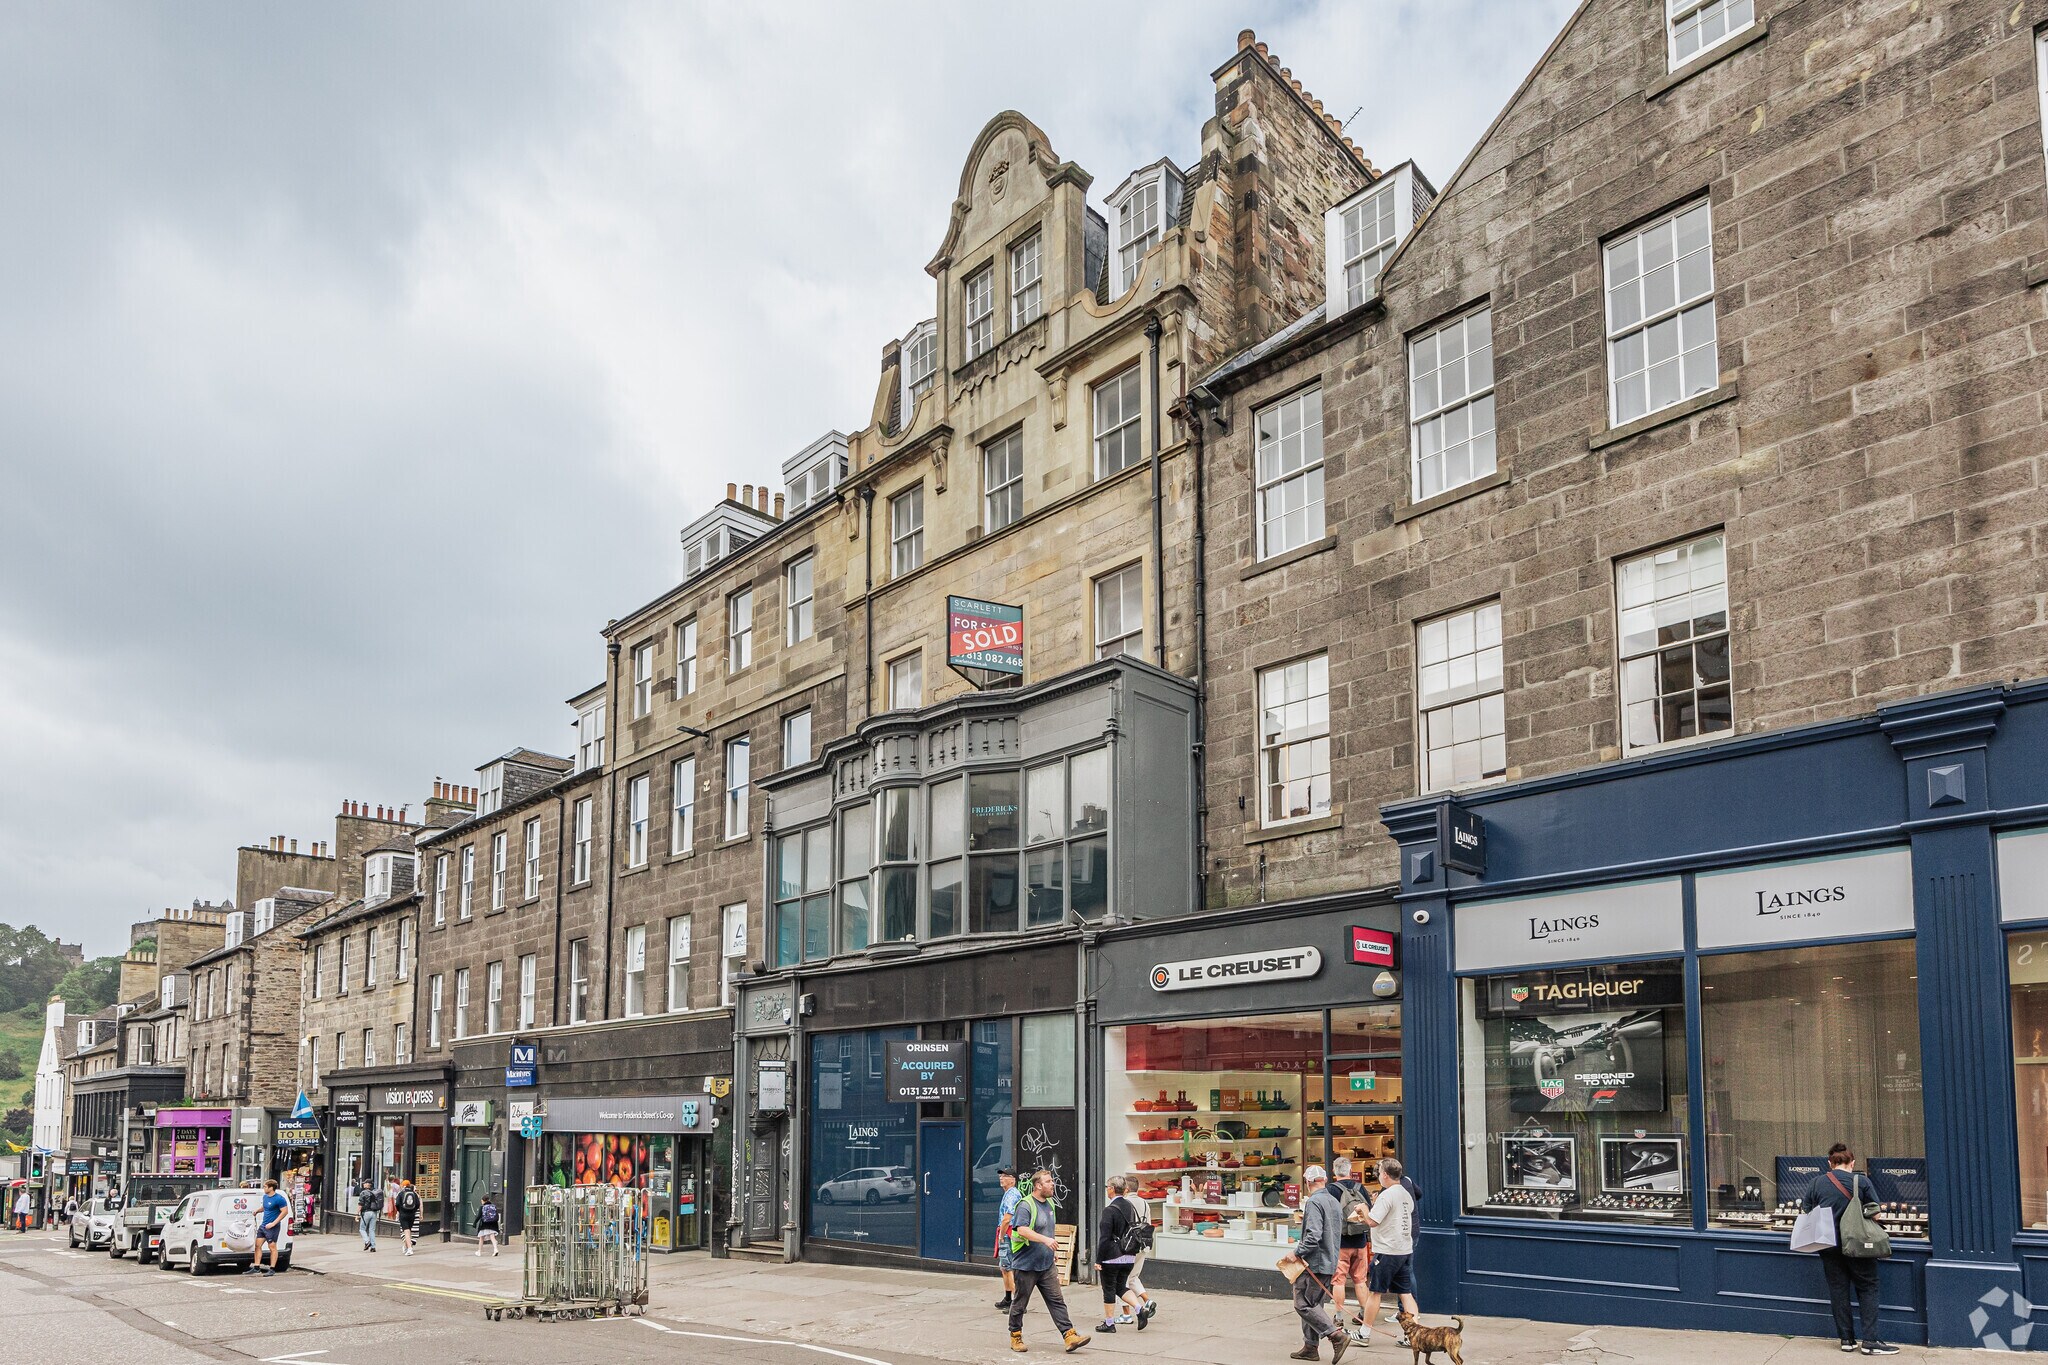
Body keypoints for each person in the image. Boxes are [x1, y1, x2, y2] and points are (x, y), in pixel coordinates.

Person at [1802, 1144, 1898, 1356]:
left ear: (1830, 1163)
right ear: (1852, 1163)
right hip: (1858, 1244)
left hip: (1828, 1245)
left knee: (1838, 1291)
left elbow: (1807, 1210)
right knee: (1868, 1288)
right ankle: (1870, 1341)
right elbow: (1876, 1213)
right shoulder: (1861, 1181)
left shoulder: (1816, 1182)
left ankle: (1846, 1340)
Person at [1006, 1168, 1089, 1354]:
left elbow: (1048, 1230)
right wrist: (1045, 1241)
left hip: (1046, 1264)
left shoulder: (1050, 1203)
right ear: (1038, 1185)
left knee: (1057, 1300)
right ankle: (1015, 1336)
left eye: (1052, 1181)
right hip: (1026, 1265)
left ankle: (1069, 1335)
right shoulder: (1025, 1205)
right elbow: (1021, 1229)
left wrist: (1050, 1251)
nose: (1053, 1184)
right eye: (1049, 1181)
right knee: (1020, 1303)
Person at [1284, 1165, 1351, 1363]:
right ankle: (1310, 1347)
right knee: (1314, 1306)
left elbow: (1313, 1236)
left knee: (1302, 1304)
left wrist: (1296, 1253)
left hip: (1314, 1262)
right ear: (1325, 1180)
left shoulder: (1314, 1202)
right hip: (1329, 1260)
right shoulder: (1333, 1200)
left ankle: (1335, 1335)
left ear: (1308, 1182)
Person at [1356, 1157, 1419, 1350]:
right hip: (1404, 1249)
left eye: (1379, 1173)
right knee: (1406, 1294)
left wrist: (1364, 1208)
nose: (1378, 1176)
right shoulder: (1406, 1193)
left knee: (1375, 1292)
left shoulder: (1386, 1195)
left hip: (1386, 1251)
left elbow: (1372, 1221)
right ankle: (1413, 1336)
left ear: (1384, 1175)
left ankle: (1364, 1333)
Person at [1326, 1157, 1372, 1342]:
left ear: (1334, 1171)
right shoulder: (1360, 1188)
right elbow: (1369, 1211)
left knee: (1339, 1281)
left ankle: (1338, 1317)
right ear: (1351, 1170)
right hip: (1360, 1241)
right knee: (1360, 1280)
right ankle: (1364, 1314)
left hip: (1340, 1243)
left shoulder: (1331, 1190)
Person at [1092, 1176, 1145, 1333]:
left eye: (1107, 1187)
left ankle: (1109, 1323)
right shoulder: (1130, 1207)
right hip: (1129, 1254)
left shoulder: (1109, 1210)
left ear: (1112, 1189)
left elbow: (1104, 1238)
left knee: (1109, 1289)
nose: (1107, 1190)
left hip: (1112, 1257)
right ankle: (1139, 1309)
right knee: (1120, 1287)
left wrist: (1098, 1260)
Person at [994, 1167, 1021, 1310]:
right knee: (1004, 1267)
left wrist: (1001, 1235)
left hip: (1008, 1234)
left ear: (1013, 1180)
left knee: (1009, 1267)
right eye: (1000, 1176)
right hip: (1006, 1233)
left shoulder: (1012, 1195)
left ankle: (1016, 1303)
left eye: (1005, 1176)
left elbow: (1007, 1218)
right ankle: (1008, 1298)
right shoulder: (1009, 1193)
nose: (1001, 1178)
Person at [250, 1179, 289, 1276]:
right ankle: (256, 1267)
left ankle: (272, 1269)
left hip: (272, 1227)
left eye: (265, 1186)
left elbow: (284, 1212)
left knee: (272, 1247)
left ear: (271, 1188)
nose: (263, 1188)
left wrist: (273, 1223)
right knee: (257, 1245)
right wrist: (257, 1211)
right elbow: (265, 1207)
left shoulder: (279, 1199)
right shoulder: (265, 1197)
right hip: (264, 1225)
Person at [353, 1172, 381, 1252]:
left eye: (365, 1183)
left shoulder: (363, 1192)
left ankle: (367, 1241)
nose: (363, 1184)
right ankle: (373, 1247)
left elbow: (360, 1204)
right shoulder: (375, 1192)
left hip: (366, 1213)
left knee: (362, 1229)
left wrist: (357, 1214)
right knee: (372, 1230)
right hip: (374, 1213)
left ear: (368, 1185)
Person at [394, 1178, 422, 1256]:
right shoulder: (414, 1193)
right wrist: (413, 1210)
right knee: (409, 1230)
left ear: (403, 1186)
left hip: (403, 1214)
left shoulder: (400, 1193)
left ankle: (409, 1249)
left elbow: (397, 1204)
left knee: (406, 1231)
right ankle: (406, 1246)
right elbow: (418, 1204)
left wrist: (400, 1210)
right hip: (412, 1215)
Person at [476, 1191, 501, 1256]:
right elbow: (497, 1216)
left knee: (481, 1238)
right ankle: (495, 1249)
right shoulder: (493, 1206)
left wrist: (475, 1223)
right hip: (493, 1224)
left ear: (483, 1201)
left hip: (485, 1224)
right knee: (492, 1237)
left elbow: (479, 1216)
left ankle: (479, 1251)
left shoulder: (482, 1207)